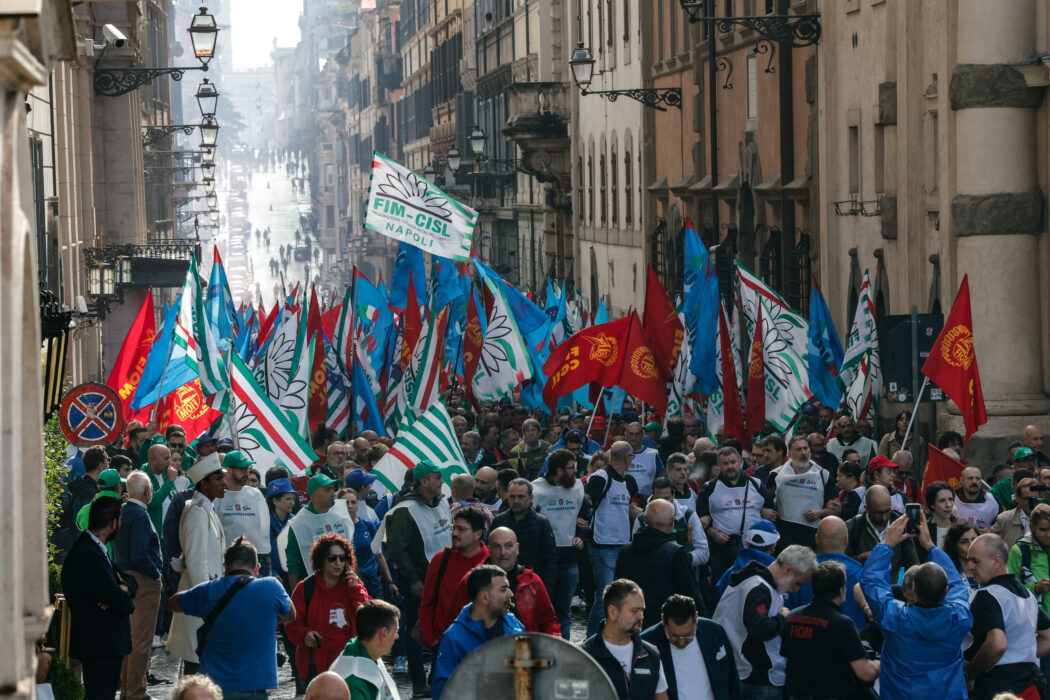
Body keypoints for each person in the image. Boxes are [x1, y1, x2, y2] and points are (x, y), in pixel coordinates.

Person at [859, 512, 971, 700]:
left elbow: (871, 582)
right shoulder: (960, 618)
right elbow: (957, 584)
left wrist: (887, 543)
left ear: (914, 587)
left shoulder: (894, 617)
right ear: (945, 591)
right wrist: (931, 547)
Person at [166, 535, 295, 698]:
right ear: (257, 568)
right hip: (254, 691)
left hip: (214, 692)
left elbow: (171, 603)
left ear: (225, 567)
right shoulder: (271, 587)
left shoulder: (208, 591)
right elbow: (291, 614)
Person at [379, 460, 453, 697]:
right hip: (419, 579)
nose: (442, 482)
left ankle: (436, 677)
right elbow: (397, 549)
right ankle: (419, 682)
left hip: (443, 576)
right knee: (416, 629)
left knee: (443, 625)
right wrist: (413, 581)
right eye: (437, 477)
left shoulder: (442, 503)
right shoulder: (405, 509)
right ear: (424, 481)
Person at [712, 545, 816, 698]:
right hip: (755, 679)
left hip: (745, 674)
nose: (796, 590)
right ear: (788, 570)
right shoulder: (758, 587)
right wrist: (782, 618)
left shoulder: (759, 585)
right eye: (797, 583)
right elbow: (759, 628)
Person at [60, 497, 137, 700]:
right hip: (99, 643)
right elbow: (122, 602)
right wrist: (121, 594)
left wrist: (122, 588)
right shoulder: (87, 554)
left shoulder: (95, 549)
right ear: (113, 524)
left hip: (104, 642)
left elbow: (129, 581)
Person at [965, 533, 1050, 699]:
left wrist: (970, 672)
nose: (970, 566)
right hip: (1032, 685)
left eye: (975, 560)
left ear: (996, 561)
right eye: (968, 560)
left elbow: (998, 644)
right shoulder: (1027, 594)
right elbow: (1048, 638)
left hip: (1000, 688)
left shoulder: (986, 595)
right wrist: (1022, 655)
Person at [782, 561, 880, 699]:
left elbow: (786, 657)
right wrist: (883, 663)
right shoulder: (842, 624)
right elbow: (866, 672)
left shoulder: (792, 618)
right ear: (841, 590)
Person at [167, 453, 228, 674]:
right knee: (197, 665)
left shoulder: (204, 508)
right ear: (204, 483)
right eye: (218, 479)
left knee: (202, 663)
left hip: (205, 595)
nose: (223, 483)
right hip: (201, 598)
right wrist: (209, 599)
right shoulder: (197, 511)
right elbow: (195, 562)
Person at [286, 533, 372, 687]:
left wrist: (355, 589)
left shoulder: (354, 585)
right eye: (332, 558)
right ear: (322, 560)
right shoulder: (305, 588)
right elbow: (291, 625)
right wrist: (305, 634)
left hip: (351, 665)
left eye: (342, 558)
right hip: (318, 668)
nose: (338, 563)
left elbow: (369, 617)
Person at [430, 565, 525, 700]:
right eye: (503, 589)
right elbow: (442, 692)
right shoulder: (454, 638)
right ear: (485, 597)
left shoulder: (515, 626)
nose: (511, 593)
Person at [448, 527, 560, 635]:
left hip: (524, 650)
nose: (503, 552)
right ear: (489, 549)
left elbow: (548, 621)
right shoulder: (471, 581)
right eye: (497, 546)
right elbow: (455, 621)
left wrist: (551, 645)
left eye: (508, 546)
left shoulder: (532, 581)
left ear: (517, 548)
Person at [112, 472, 162, 700]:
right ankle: (135, 692)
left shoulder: (123, 511)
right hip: (142, 579)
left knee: (129, 638)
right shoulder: (140, 515)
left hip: (124, 577)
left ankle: (127, 689)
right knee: (141, 640)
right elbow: (140, 553)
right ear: (147, 491)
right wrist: (156, 574)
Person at [615, 499, 703, 627]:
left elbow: (618, 590)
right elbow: (691, 593)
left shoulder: (625, 552)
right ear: (673, 522)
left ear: (645, 520)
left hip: (632, 623)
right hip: (667, 625)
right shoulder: (676, 553)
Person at [585, 440, 642, 636]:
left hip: (622, 544)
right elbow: (586, 501)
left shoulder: (626, 481)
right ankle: (592, 639)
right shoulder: (601, 477)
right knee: (604, 597)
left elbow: (631, 509)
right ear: (627, 458)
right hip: (603, 545)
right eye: (631, 457)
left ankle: (613, 635)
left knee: (620, 596)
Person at [581, 579, 668, 700]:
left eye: (642, 610)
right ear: (613, 612)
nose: (641, 616)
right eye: (634, 611)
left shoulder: (651, 655)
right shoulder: (584, 656)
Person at [531, 448, 586, 638]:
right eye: (571, 468)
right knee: (544, 608)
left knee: (563, 609)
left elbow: (582, 516)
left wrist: (579, 534)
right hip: (545, 558)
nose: (575, 471)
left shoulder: (577, 486)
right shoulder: (536, 489)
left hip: (569, 557)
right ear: (559, 470)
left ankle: (564, 647)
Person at [697, 446, 774, 583]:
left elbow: (770, 514)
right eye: (725, 463)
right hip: (725, 552)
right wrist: (712, 532)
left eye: (733, 462)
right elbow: (700, 520)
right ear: (719, 465)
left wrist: (765, 513)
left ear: (740, 462)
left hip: (756, 550)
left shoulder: (756, 484)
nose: (730, 466)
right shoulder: (709, 488)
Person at [641, 594, 740, 700]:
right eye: (674, 636)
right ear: (663, 620)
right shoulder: (647, 642)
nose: (681, 641)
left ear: (696, 618)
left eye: (688, 635)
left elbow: (733, 679)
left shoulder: (714, 632)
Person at [419, 507, 490, 648]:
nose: (454, 533)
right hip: (444, 643)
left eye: (461, 529)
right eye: (453, 527)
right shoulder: (441, 559)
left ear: (478, 534)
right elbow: (427, 603)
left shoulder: (490, 561)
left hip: (480, 646)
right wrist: (431, 638)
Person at [785, 516, 868, 629]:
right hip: (851, 642)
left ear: (817, 539)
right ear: (846, 540)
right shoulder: (862, 576)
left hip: (806, 642)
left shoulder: (800, 575)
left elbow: (787, 614)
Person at [765, 435, 839, 548]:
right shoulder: (776, 475)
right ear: (789, 453)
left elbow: (837, 509)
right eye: (798, 449)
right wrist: (765, 511)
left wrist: (820, 512)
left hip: (811, 536)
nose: (803, 452)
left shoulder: (823, 475)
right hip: (783, 535)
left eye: (806, 448)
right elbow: (766, 503)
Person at [282, 473, 354, 588]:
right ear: (314, 495)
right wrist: (296, 597)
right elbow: (293, 563)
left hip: (342, 584)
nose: (333, 493)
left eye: (333, 489)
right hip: (314, 588)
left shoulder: (340, 514)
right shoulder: (299, 524)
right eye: (328, 490)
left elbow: (351, 549)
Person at [329, 599, 402, 700]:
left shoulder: (366, 649)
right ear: (384, 633)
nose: (397, 636)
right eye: (396, 631)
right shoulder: (354, 680)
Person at [490, 478, 558, 586]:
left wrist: (546, 591)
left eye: (521, 497)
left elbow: (550, 560)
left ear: (531, 498)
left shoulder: (541, 523)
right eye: (512, 497)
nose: (516, 501)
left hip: (532, 583)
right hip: (503, 583)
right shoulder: (499, 521)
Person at [213, 451, 271, 575]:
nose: (247, 473)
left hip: (255, 564)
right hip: (228, 566)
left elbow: (264, 529)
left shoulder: (255, 494)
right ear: (228, 471)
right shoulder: (217, 497)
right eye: (242, 469)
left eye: (247, 469)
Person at [845, 485, 920, 577]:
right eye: (878, 513)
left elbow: (913, 565)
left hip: (893, 588)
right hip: (862, 588)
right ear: (866, 509)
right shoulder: (853, 527)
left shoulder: (901, 526)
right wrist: (859, 559)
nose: (884, 517)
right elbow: (842, 565)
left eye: (887, 511)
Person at [342, 489, 396, 600]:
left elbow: (379, 556)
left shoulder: (368, 526)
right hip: (348, 587)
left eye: (353, 502)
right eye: (345, 503)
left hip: (373, 585)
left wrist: (390, 581)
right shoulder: (336, 530)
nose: (350, 506)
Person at [992, 470, 1038, 549]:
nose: (1031, 503)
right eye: (1026, 499)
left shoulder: (1047, 516)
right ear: (1017, 498)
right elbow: (991, 547)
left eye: (1034, 498)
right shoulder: (1004, 520)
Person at [266, 477, 297, 588]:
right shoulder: (266, 523)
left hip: (294, 574)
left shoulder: (295, 520)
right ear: (275, 501)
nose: (292, 503)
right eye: (288, 499)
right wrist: (272, 573)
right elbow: (263, 553)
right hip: (276, 578)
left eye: (293, 499)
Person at [143, 443, 178, 536]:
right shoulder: (142, 477)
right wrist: (170, 481)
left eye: (170, 458)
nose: (170, 462)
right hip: (156, 537)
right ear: (154, 460)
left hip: (171, 536)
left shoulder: (165, 474)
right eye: (166, 458)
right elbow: (153, 502)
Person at [624, 422, 666, 498]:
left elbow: (662, 475)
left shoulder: (653, 454)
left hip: (647, 499)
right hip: (624, 498)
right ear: (626, 435)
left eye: (637, 434)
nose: (634, 438)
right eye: (631, 434)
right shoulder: (620, 453)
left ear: (642, 436)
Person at [956, 466, 1001, 532]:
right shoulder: (952, 499)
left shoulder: (992, 500)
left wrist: (991, 531)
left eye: (978, 478)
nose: (974, 482)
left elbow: (1001, 526)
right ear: (961, 480)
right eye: (970, 478)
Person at [944, 521, 980, 593]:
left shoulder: (987, 572)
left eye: (974, 540)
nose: (971, 545)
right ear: (954, 546)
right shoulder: (949, 576)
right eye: (964, 542)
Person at [926, 480, 958, 549]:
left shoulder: (960, 528)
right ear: (932, 504)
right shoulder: (925, 530)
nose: (948, 505)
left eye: (950, 499)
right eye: (942, 500)